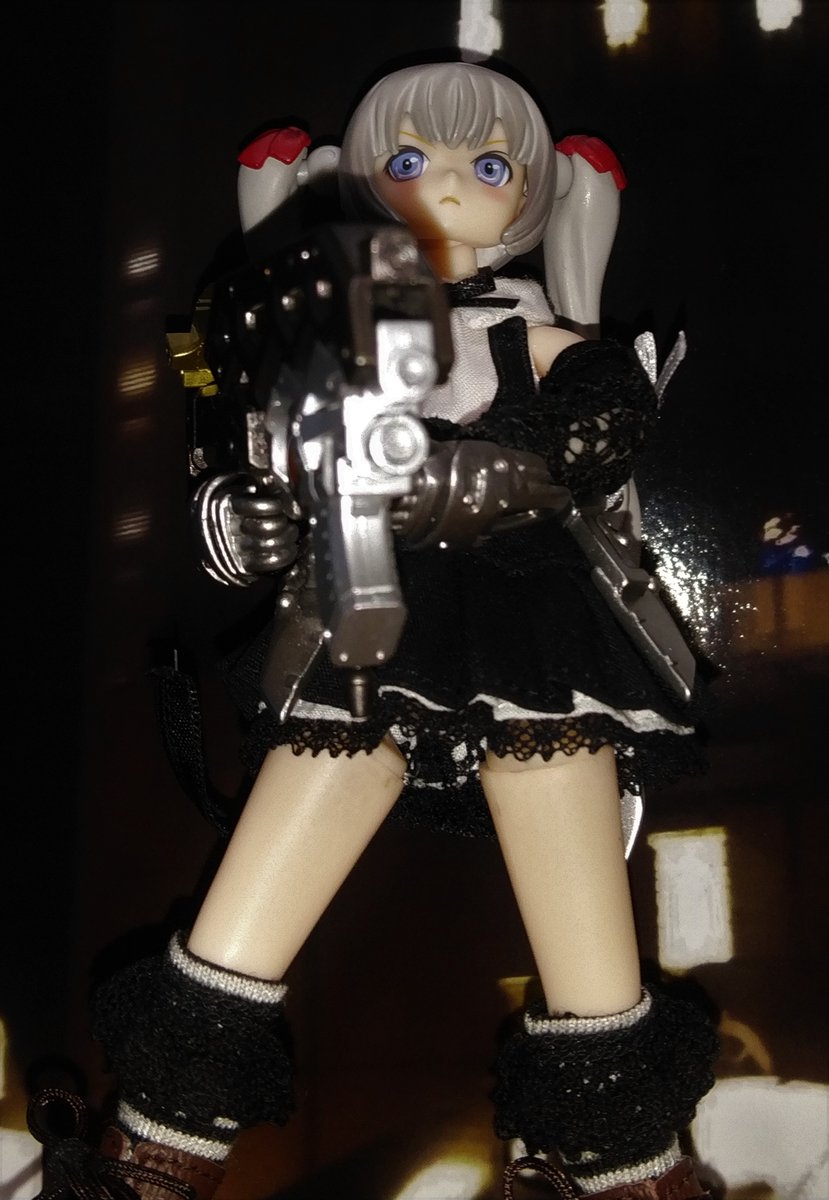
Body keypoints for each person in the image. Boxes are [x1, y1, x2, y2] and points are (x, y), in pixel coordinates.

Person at [32, 62, 717, 1200]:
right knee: (309, 791)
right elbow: (252, 474)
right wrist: (242, 517)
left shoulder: (526, 330)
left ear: (531, 199)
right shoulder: (330, 337)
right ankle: (153, 1149)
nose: (446, 184)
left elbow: (604, 414)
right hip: (359, 603)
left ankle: (631, 1165)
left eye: (486, 164)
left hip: (529, 615)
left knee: (559, 819)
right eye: (408, 161)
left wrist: (506, 469)